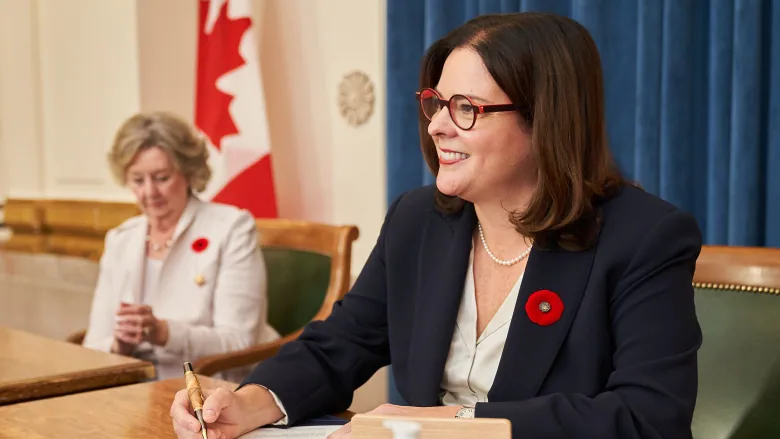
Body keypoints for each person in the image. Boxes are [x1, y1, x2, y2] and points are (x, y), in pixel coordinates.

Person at [170, 12, 702, 439]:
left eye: (466, 107)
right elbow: (342, 344)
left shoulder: (643, 237)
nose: (438, 125)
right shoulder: (418, 219)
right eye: (436, 103)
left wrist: (448, 426)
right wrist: (248, 404)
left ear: (545, 120)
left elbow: (648, 415)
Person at [82, 111, 279, 381]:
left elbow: (238, 341)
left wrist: (164, 332)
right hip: (136, 390)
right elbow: (94, 345)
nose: (150, 192)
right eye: (138, 180)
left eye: (161, 177)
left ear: (188, 172)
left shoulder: (231, 228)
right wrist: (119, 345)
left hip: (212, 389)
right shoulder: (121, 240)